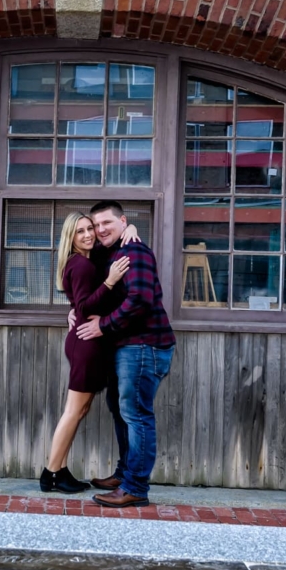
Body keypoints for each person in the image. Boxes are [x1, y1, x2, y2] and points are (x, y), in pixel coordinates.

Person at [76, 200, 175, 508]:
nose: (101, 229)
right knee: (121, 411)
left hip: (144, 345)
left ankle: (135, 487)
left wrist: (103, 326)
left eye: (108, 223)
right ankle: (124, 474)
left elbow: (140, 300)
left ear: (122, 221)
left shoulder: (135, 251)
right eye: (96, 225)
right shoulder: (114, 251)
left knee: (136, 415)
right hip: (127, 346)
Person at [40, 212, 131, 493]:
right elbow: (82, 307)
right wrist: (110, 281)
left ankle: (60, 469)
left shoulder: (86, 260)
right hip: (86, 345)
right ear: (71, 237)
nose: (88, 235)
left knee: (80, 410)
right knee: (73, 411)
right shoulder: (80, 264)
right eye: (80, 231)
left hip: (87, 343)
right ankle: (50, 474)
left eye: (89, 228)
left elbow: (78, 305)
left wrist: (132, 226)